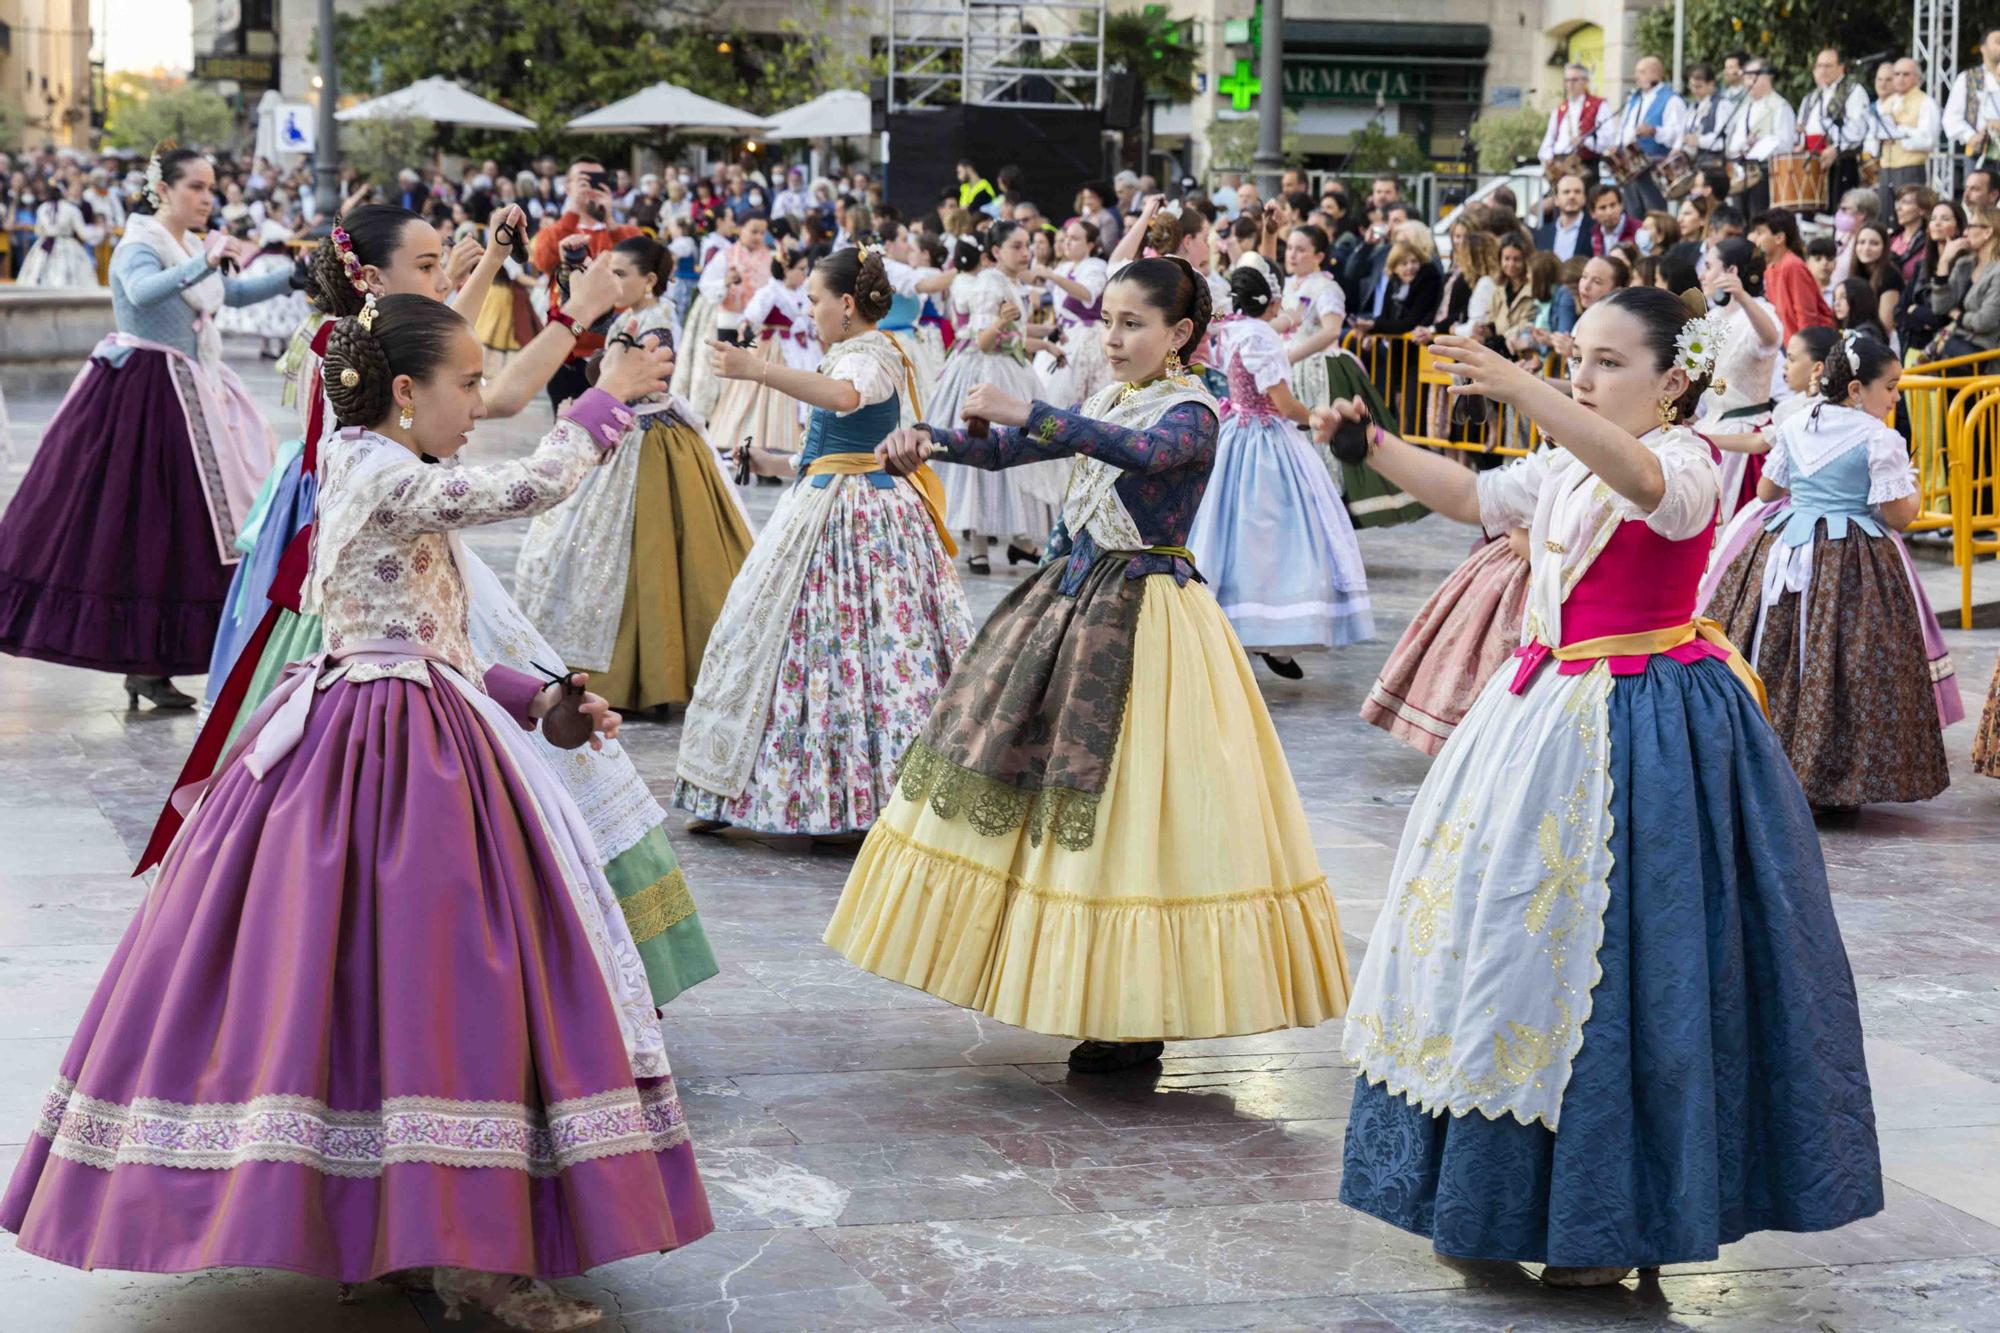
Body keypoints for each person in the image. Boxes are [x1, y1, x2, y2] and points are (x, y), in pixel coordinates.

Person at [0, 295, 713, 1330]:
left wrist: (534, 699)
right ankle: (466, 1252)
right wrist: (600, 405)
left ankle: (407, 1233)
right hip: (393, 750)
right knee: (443, 987)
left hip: (399, 723)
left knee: (382, 994)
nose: (479, 403)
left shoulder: (375, 468)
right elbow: (522, 484)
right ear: (405, 390)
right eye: (466, 385)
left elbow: (428, 622)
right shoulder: (377, 467)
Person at [1317, 287, 1882, 1287]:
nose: (1582, 375)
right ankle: (1492, 1199)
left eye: (1607, 362)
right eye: (1576, 356)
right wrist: (1367, 441)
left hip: (1645, 726)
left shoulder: (1687, 461)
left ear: (1670, 380)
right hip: (1539, 713)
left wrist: (1529, 390)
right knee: (1498, 950)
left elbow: (1642, 484)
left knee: (1626, 962)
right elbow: (1469, 499)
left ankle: (1606, 1222)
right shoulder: (1569, 462)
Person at [825, 255, 1351, 1074]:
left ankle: (1133, 1012)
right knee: (1041, 786)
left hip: (1149, 622)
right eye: (1106, 321)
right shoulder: (1114, 394)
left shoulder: (1195, 410)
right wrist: (936, 442)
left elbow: (1138, 452)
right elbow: (1016, 451)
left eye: (1132, 323)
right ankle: (1080, 989)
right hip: (1074, 600)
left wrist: (1031, 410)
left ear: (1180, 334)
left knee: (1135, 814)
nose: (1111, 337)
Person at [673, 248, 974, 838]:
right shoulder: (856, 355)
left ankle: (850, 799)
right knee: (817, 645)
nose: (807, 311)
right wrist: (768, 460)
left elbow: (843, 399)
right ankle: (804, 794)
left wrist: (755, 369)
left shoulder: (872, 354)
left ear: (846, 303)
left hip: (860, 513)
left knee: (851, 646)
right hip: (835, 497)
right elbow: (829, 453)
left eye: (813, 300)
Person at [0, 144, 289, 708]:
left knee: (184, 528)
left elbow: (229, 292)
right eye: (196, 188)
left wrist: (294, 277)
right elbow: (138, 291)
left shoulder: (184, 244)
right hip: (144, 395)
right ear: (164, 190)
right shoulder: (141, 241)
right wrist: (203, 262)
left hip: (189, 392)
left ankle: (153, 664)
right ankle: (145, 664)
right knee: (142, 526)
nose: (208, 198)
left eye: (211, 188)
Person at [1702, 333, 1952, 810]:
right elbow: (1899, 517)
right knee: (1846, 659)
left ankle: (1766, 768)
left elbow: (1769, 492)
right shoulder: (1879, 438)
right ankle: (1834, 779)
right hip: (1851, 556)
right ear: (1856, 390)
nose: (1896, 397)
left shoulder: (1797, 424)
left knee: (1774, 650)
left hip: (1786, 546)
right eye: (1891, 387)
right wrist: (1913, 490)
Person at [514, 235, 753, 716]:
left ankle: (653, 674)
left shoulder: (656, 322)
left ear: (650, 280)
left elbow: (636, 376)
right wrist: (574, 271)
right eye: (613, 274)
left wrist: (595, 388)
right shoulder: (633, 315)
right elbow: (588, 323)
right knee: (616, 557)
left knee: (653, 556)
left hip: (645, 436)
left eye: (623, 275)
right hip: (629, 429)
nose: (615, 283)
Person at [1187, 266, 1373, 680]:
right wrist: (1317, 416)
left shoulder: (1235, 329)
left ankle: (1236, 630)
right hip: (1267, 439)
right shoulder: (1261, 337)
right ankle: (1267, 631)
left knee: (1233, 534)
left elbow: (1274, 325)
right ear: (1270, 301)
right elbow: (1284, 404)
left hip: (1238, 432)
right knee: (1273, 536)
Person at [927, 220, 1064, 573]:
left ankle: (1015, 542)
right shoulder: (990, 283)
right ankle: (980, 546)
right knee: (986, 451)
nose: (1025, 252)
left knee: (1013, 452)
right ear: (996, 251)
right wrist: (1003, 322)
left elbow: (1011, 338)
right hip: (986, 372)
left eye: (1026, 245)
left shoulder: (1008, 282)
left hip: (1010, 368)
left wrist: (1044, 340)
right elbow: (984, 341)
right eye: (1016, 246)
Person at [529, 159, 642, 412]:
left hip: (615, 348)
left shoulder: (625, 232)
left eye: (596, 180)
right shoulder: (555, 231)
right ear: (568, 185)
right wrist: (573, 210)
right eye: (583, 180)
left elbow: (640, 264)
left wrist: (611, 221)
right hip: (567, 350)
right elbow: (543, 260)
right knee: (564, 432)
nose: (590, 186)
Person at [1693, 236, 1785, 522]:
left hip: (1746, 432)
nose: (1702, 274)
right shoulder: (1712, 317)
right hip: (1709, 426)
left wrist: (1743, 297)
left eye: (1709, 266)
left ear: (1731, 272)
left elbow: (1770, 339)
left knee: (1737, 524)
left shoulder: (1760, 311)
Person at [708, 245, 817, 477]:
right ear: (785, 270)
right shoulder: (770, 292)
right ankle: (761, 450)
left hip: (802, 349)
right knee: (766, 396)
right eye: (800, 269)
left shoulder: (803, 293)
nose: (803, 274)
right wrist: (746, 331)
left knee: (802, 392)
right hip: (775, 348)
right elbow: (750, 318)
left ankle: (791, 449)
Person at [673, 215, 772, 419]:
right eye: (754, 231)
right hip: (726, 320)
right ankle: (717, 418)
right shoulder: (725, 256)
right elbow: (705, 285)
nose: (758, 237)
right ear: (741, 229)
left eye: (762, 233)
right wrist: (726, 282)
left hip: (757, 326)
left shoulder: (770, 258)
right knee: (721, 373)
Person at [1030, 217, 1112, 409]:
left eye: (1074, 238)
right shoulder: (1065, 267)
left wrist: (1052, 276)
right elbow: (1040, 285)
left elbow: (1086, 294)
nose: (1067, 242)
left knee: (1069, 390)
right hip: (1062, 334)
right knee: (1044, 385)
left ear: (1090, 244)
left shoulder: (1096, 266)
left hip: (1086, 334)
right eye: (1066, 237)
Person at [1798, 47, 1872, 209]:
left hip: (1840, 162)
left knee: (1838, 211)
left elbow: (1857, 129)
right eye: (1819, 66)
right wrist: (1800, 144)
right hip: (1813, 162)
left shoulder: (1853, 91)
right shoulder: (1812, 97)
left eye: (1828, 66)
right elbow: (1804, 128)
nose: (1822, 70)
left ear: (1841, 68)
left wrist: (1836, 148)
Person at [1613, 56, 1686, 214]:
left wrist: (1654, 131)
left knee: (1654, 211)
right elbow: (1624, 126)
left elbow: (1678, 133)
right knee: (1633, 211)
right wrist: (1616, 144)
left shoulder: (1671, 100)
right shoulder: (1634, 98)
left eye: (1641, 72)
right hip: (1630, 166)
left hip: (1653, 166)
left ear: (1654, 73)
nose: (1636, 77)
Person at [1750, 208, 1836, 338]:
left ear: (1779, 238)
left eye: (1760, 233)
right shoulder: (1769, 270)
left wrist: (1803, 353)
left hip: (1811, 346)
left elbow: (1807, 318)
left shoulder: (1793, 266)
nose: (1755, 239)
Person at [1726, 60, 1795, 217]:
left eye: (1752, 77)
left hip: (1765, 175)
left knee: (1759, 218)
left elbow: (1784, 144)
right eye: (1746, 78)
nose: (1748, 82)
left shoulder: (1780, 106)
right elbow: (1734, 140)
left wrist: (1756, 147)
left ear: (1766, 78)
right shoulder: (1744, 107)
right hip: (1742, 173)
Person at [1877, 58, 1940, 219]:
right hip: (1886, 167)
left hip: (1911, 168)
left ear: (1917, 78)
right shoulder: (1887, 103)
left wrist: (1900, 132)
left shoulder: (1926, 102)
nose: (1900, 78)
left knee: (1910, 215)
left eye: (1906, 74)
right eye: (1896, 74)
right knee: (1886, 215)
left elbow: (1929, 140)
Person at [16, 178, 103, 287]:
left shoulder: (42, 208)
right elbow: (84, 234)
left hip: (44, 245)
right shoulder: (72, 209)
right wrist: (100, 230)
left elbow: (38, 231)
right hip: (67, 245)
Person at [1539, 63, 1610, 178]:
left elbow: (1607, 140)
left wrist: (1585, 141)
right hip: (1560, 163)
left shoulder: (1598, 105)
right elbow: (1550, 138)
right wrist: (1546, 158)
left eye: (1574, 80)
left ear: (1585, 81)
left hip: (1584, 164)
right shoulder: (1560, 109)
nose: (1570, 85)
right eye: (1566, 80)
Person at [1944, 28, 2000, 173]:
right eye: (1998, 42)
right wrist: (1971, 136)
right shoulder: (1967, 78)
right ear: (1983, 48)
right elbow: (1951, 117)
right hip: (1980, 153)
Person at [1532, 173, 1590, 260]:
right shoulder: (1543, 233)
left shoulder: (1595, 230)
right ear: (1556, 200)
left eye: (1577, 192)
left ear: (1584, 198)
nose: (1572, 196)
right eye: (1566, 192)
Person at [1587, 182, 1641, 256]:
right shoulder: (1592, 235)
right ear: (1592, 213)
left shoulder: (1639, 229)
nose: (1609, 212)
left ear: (1621, 205)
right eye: (1603, 208)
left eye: (1613, 205)